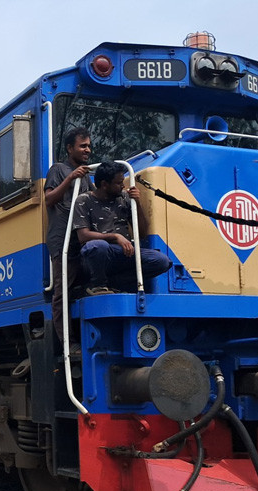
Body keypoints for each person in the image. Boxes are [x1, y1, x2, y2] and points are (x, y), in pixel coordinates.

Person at [73, 161, 172, 294]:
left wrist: (137, 203)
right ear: (104, 184)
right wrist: (115, 237)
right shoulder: (83, 200)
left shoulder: (124, 197)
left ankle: (114, 284)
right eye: (119, 183)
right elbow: (83, 236)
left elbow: (142, 233)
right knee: (98, 246)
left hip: (124, 252)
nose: (123, 186)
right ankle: (97, 285)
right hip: (98, 255)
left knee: (162, 261)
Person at [44, 127, 94, 342]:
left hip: (82, 238)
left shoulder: (87, 174)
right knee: (62, 293)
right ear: (69, 148)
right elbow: (49, 199)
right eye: (83, 146)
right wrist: (70, 178)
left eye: (89, 146)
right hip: (62, 240)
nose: (87, 150)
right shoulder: (58, 169)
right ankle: (67, 342)